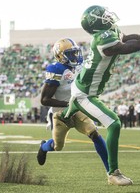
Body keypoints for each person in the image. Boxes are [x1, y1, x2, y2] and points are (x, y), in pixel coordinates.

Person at [56, 0, 140, 185]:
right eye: (102, 16)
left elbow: (137, 38)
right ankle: (113, 173)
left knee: (104, 118)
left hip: (83, 85)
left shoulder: (111, 31)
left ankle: (67, 114)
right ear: (95, 23)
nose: (107, 16)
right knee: (114, 123)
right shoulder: (103, 41)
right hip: (85, 93)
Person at [36, 38, 109, 175]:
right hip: (60, 113)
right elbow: (45, 100)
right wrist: (69, 104)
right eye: (70, 54)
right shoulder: (56, 70)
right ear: (60, 56)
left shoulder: (79, 67)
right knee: (58, 146)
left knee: (94, 133)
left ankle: (110, 171)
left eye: (75, 53)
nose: (75, 56)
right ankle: (44, 147)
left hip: (78, 109)